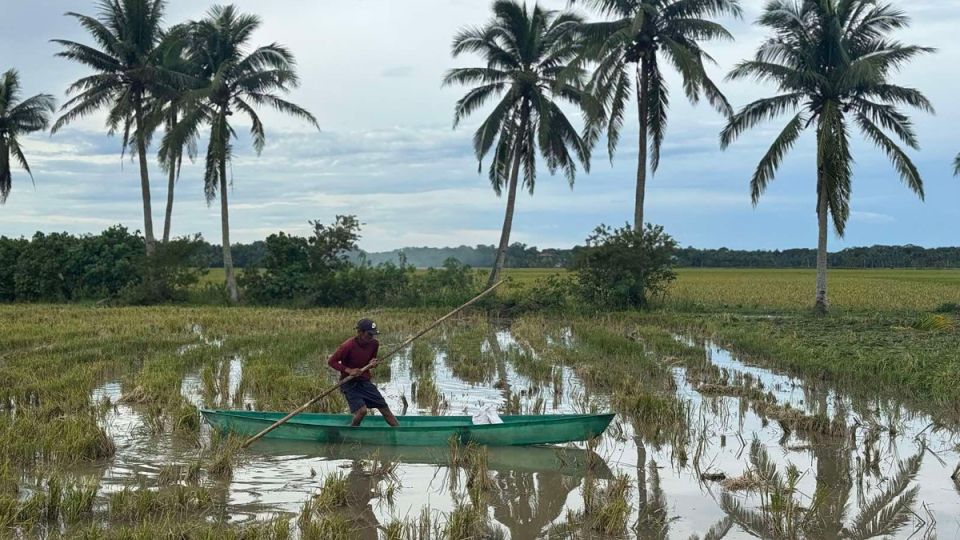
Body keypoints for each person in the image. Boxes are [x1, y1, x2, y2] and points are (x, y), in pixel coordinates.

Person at [328, 318, 399, 427]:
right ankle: (353, 430)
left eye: (373, 335)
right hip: (349, 383)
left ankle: (400, 431)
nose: (371, 337)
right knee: (362, 411)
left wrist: (373, 363)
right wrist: (349, 370)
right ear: (360, 332)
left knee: (384, 408)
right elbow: (332, 362)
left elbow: (372, 360)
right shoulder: (347, 346)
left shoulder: (374, 344)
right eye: (369, 334)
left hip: (364, 381)